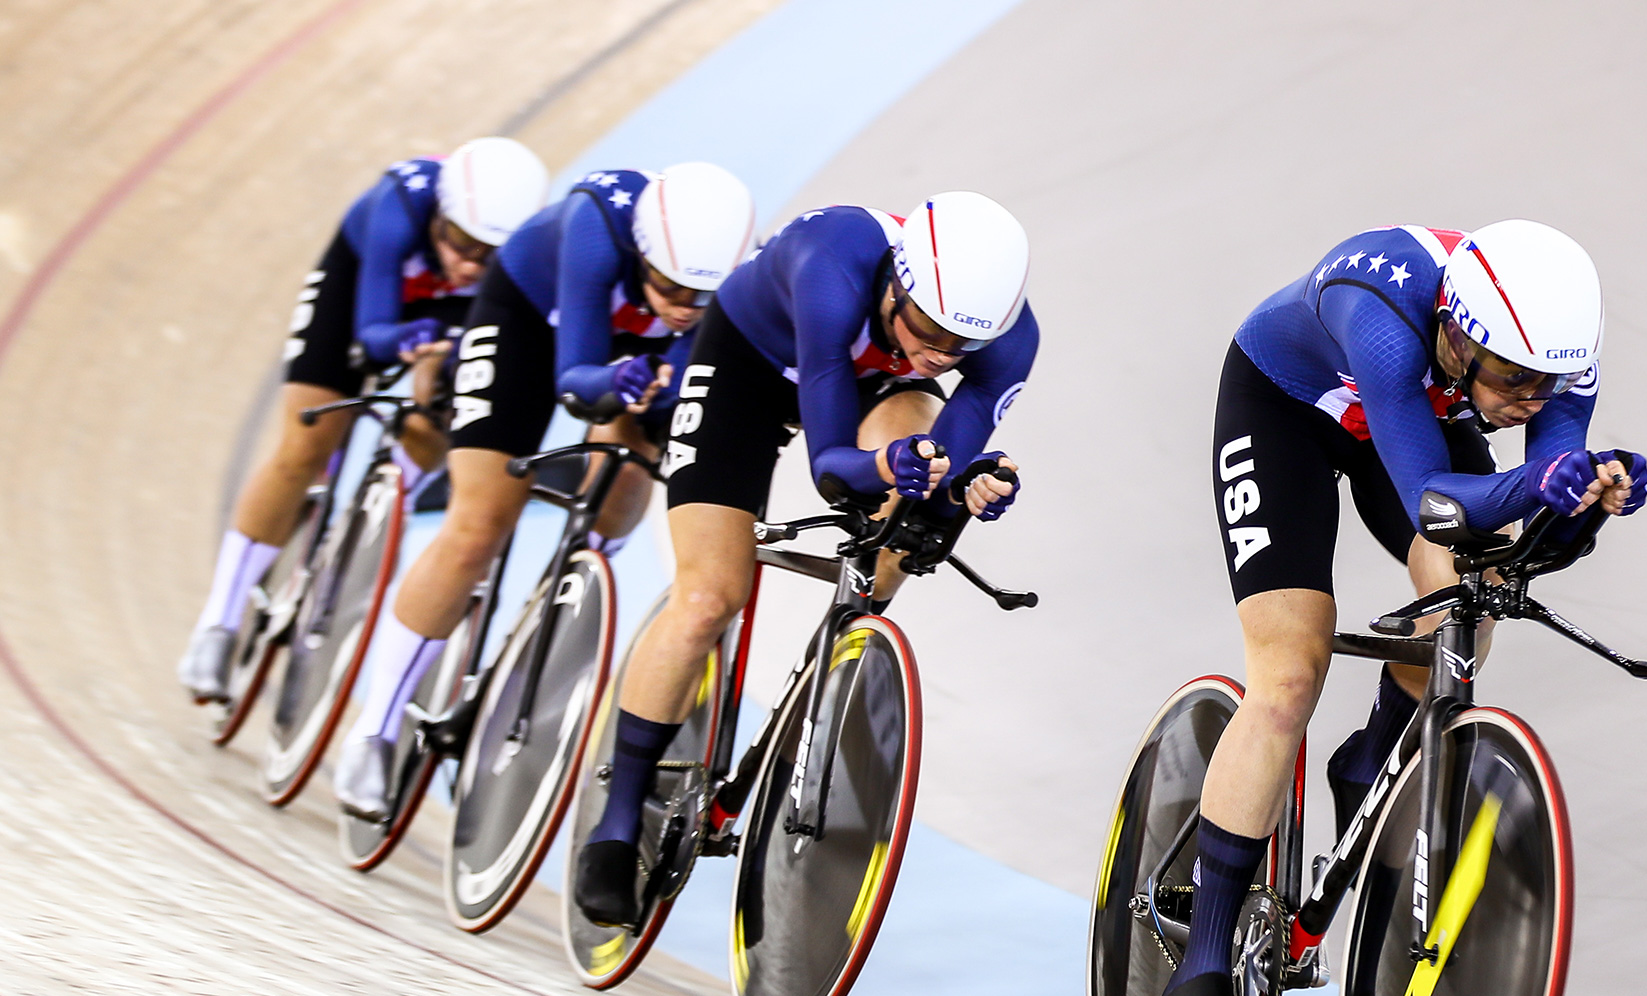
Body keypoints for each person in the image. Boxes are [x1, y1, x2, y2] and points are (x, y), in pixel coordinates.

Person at [1162, 219, 1647, 996]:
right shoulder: (1386, 318)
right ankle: (1203, 957)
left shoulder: (1548, 358)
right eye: (1513, 380)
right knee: (1289, 673)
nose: (1530, 403)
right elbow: (1431, 493)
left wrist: (1585, 500)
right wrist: (1537, 483)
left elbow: (1532, 520)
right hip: (1288, 411)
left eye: (1551, 385)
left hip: (1412, 421)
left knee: (1474, 594)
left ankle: (1374, 757)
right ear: (1459, 336)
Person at [571, 191, 1037, 927]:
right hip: (747, 371)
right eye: (924, 327)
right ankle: (617, 817)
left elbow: (950, 455)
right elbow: (833, 464)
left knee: (902, 526)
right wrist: (893, 465)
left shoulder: (1007, 341)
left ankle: (833, 662)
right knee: (707, 600)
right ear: (897, 284)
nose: (938, 354)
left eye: (960, 346)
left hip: (877, 389)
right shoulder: (835, 264)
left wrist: (965, 490)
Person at [331, 161, 757, 818]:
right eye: (672, 287)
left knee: (629, 469)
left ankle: (572, 580)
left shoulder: (727, 278)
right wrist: (620, 380)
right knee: (477, 526)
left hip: (633, 351)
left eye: (702, 297)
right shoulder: (594, 231)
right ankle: (375, 731)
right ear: (644, 254)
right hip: (529, 322)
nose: (683, 308)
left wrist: (667, 381)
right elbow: (576, 380)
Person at [178, 138, 550, 702]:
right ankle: (219, 621)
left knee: (441, 408)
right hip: (362, 289)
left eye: (488, 254)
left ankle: (387, 496)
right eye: (460, 242)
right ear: (440, 216)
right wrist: (403, 339)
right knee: (306, 442)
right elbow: (373, 336)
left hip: (452, 312)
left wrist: (440, 361)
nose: (469, 263)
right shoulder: (399, 205)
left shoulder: (508, 264)